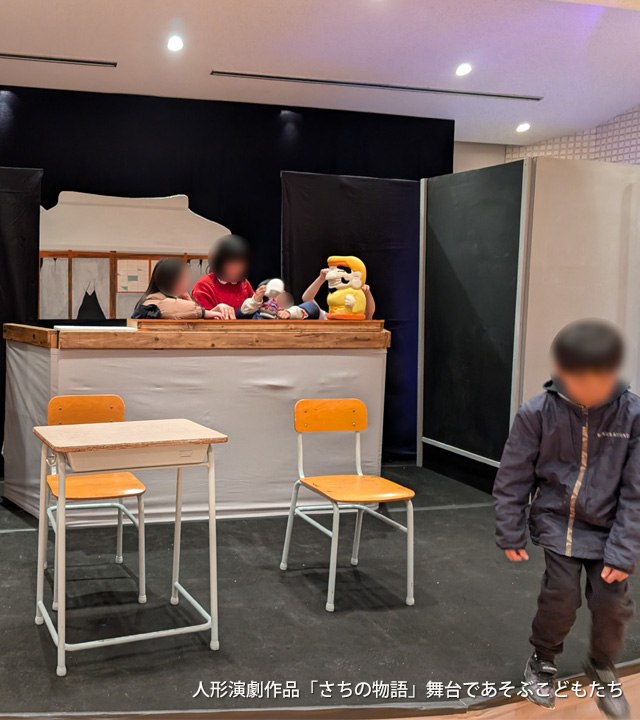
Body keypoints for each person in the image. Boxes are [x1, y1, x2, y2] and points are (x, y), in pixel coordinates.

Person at [493, 319, 640, 718]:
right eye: (579, 380)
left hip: (612, 529)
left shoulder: (632, 415)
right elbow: (513, 476)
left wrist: (624, 550)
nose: (590, 389)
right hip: (558, 523)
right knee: (561, 596)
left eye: (599, 379)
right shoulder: (537, 413)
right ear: (561, 372)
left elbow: (636, 492)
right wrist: (510, 531)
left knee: (612, 604)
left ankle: (603, 665)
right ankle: (542, 660)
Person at [132, 258, 222, 320]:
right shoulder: (152, 301)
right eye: (185, 276)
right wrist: (204, 313)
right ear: (172, 280)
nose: (188, 280)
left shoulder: (180, 298)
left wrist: (189, 301)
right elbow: (167, 307)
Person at [192, 235, 255, 319]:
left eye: (240, 264)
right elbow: (201, 319)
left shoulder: (244, 283)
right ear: (219, 263)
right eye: (232, 264)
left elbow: (254, 309)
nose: (237, 269)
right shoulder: (204, 285)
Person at [301, 267, 376, 320]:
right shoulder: (327, 318)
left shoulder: (358, 320)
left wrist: (367, 293)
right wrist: (321, 278)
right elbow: (307, 298)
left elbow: (369, 315)